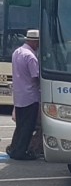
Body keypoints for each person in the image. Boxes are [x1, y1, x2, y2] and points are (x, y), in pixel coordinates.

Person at [7, 29, 40, 161]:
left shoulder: (17, 52)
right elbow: (36, 77)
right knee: (28, 126)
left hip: (19, 95)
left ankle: (14, 148)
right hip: (30, 96)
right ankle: (21, 151)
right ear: (35, 42)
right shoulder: (31, 57)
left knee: (20, 125)